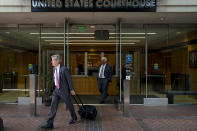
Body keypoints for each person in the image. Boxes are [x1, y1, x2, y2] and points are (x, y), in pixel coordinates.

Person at [41, 54, 77, 130]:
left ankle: (74, 117)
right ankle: (50, 123)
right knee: (53, 106)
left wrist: (72, 89)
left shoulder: (64, 69)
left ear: (57, 61)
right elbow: (55, 78)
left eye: (52, 60)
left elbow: (69, 80)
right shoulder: (54, 68)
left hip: (64, 91)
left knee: (69, 104)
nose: (51, 62)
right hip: (56, 90)